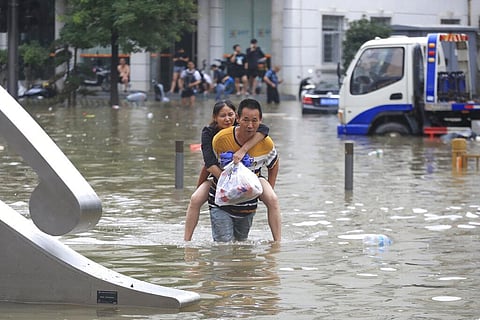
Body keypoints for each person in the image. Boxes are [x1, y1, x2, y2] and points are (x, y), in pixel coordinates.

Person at [184, 100, 281, 242]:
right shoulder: (212, 135)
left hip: (252, 177)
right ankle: (187, 241)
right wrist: (228, 181)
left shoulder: (252, 130)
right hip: (219, 176)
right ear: (215, 118)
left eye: (230, 115)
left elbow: (264, 131)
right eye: (223, 116)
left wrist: (243, 150)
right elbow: (208, 164)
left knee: (272, 199)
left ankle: (277, 242)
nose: (227, 119)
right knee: (195, 199)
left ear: (235, 117)